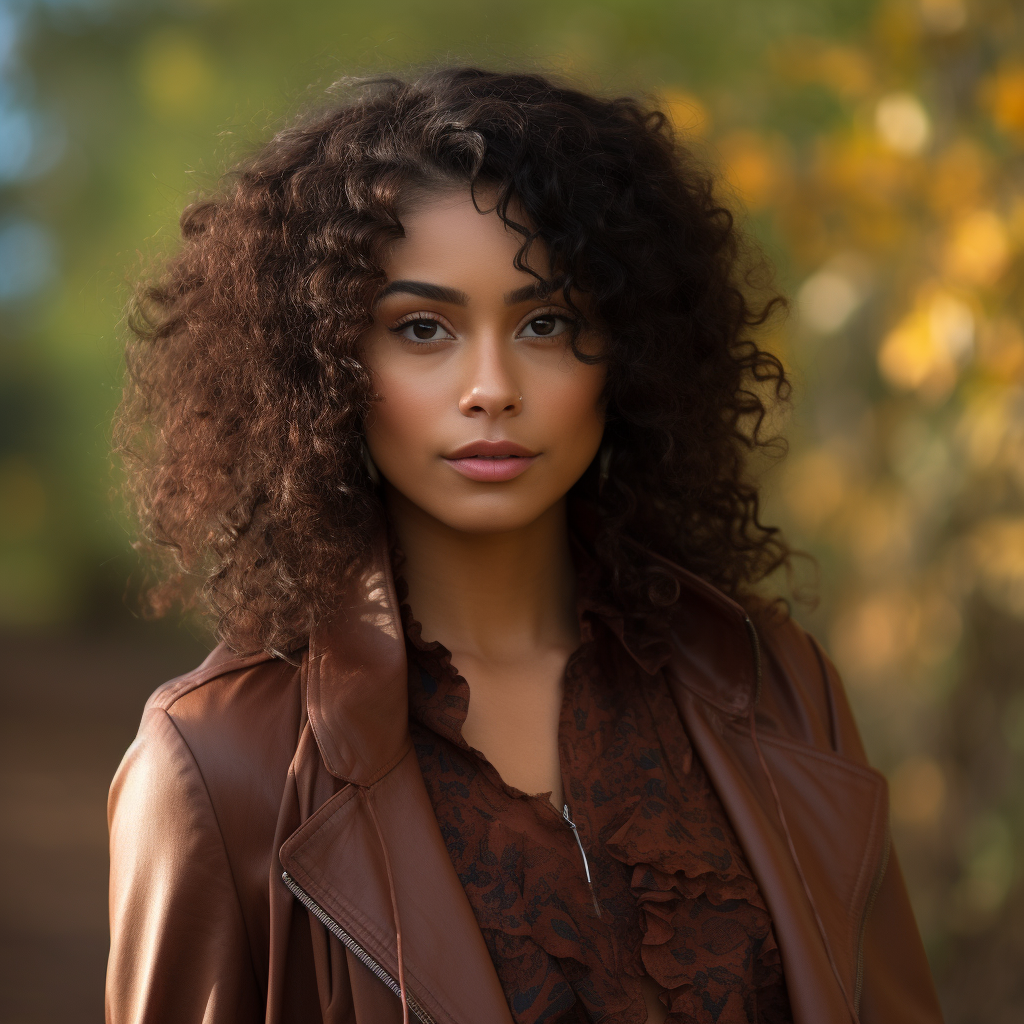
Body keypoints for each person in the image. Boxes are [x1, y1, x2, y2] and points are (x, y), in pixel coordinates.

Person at [108, 67, 943, 1024]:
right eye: (423, 329)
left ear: (626, 352)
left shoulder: (776, 686)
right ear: (327, 369)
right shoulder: (217, 764)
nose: (492, 387)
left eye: (546, 323)